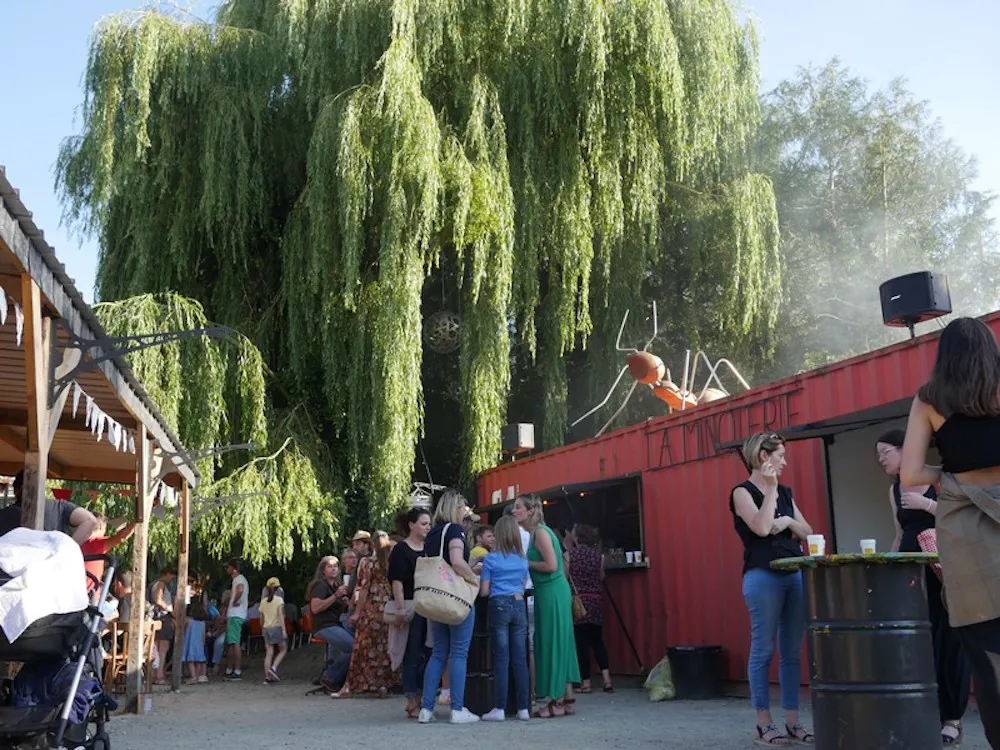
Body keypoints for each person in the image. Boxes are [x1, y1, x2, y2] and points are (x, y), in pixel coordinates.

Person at [900, 317, 1000, 749]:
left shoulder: (930, 399)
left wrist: (950, 475)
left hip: (968, 536)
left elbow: (910, 475)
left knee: (989, 664)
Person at [876, 427, 971, 744]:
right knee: (921, 642)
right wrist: (887, 566)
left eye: (885, 452)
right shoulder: (894, 490)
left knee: (950, 641)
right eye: (878, 455)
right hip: (911, 574)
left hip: (944, 571)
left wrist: (925, 504)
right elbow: (899, 533)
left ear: (905, 449)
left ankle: (953, 719)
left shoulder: (937, 478)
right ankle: (929, 713)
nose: (881, 460)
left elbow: (962, 517)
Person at [730, 432, 814, 746]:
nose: (785, 462)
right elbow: (762, 527)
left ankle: (792, 722)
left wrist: (789, 520)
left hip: (794, 573)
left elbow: (807, 531)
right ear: (764, 456)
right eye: (780, 456)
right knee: (763, 649)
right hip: (762, 575)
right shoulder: (742, 492)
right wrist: (772, 490)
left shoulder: (787, 493)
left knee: (791, 652)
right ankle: (763, 724)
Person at [513, 494, 580, 718]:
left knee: (552, 642)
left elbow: (551, 565)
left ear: (530, 511)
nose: (514, 511)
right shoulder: (539, 533)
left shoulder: (540, 533)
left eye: (518, 507)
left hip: (551, 590)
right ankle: (566, 698)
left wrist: (525, 563)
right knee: (560, 641)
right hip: (550, 590)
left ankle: (556, 700)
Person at [418, 491, 481, 725]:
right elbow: (455, 561)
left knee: (438, 653)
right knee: (459, 653)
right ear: (455, 507)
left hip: (437, 598)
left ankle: (426, 709)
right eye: (463, 507)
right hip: (456, 598)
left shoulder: (432, 533)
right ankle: (457, 708)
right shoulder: (455, 530)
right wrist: (472, 576)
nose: (465, 511)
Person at [333, 531, 399, 697]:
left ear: (372, 544)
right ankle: (382, 684)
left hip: (371, 607)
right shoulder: (390, 561)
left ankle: (350, 686)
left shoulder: (367, 562)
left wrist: (357, 612)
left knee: (363, 646)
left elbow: (364, 588)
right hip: (387, 605)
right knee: (383, 646)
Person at [479, 516, 531, 722]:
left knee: (501, 659)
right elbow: (522, 585)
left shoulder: (491, 559)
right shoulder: (523, 559)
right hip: (518, 604)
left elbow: (484, 591)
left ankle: (499, 708)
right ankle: (523, 708)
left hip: (499, 605)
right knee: (520, 659)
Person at [388, 507, 430, 719]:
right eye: (423, 523)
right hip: (410, 605)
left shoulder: (428, 547)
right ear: (412, 525)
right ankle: (412, 698)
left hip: (427, 606)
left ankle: (421, 696)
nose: (427, 527)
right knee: (411, 652)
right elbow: (396, 580)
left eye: (429, 524)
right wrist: (400, 607)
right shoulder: (401, 550)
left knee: (427, 652)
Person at [568, 524, 613, 693]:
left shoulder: (570, 555)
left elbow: (565, 576)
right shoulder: (598, 556)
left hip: (579, 601)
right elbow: (601, 576)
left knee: (582, 644)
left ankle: (586, 683)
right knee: (597, 641)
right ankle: (607, 679)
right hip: (596, 600)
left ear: (577, 537)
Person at [6, 470, 98, 542]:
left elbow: (90, 520)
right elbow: (90, 520)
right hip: (51, 559)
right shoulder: (59, 507)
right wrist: (65, 551)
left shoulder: (5, 515)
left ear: (16, 490)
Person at [307, 555, 353, 691]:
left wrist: (344, 603)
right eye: (330, 566)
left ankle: (337, 677)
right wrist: (335, 596)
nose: (334, 569)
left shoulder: (336, 586)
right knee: (353, 647)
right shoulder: (320, 585)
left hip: (335, 624)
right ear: (323, 570)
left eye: (336, 566)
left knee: (357, 644)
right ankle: (330, 676)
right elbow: (315, 608)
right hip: (324, 626)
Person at [81, 516, 136, 592]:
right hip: (86, 592)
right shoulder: (94, 543)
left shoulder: (81, 542)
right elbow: (120, 538)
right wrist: (136, 521)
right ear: (101, 527)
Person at [148, 566, 176, 686]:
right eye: (172, 577)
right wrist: (169, 609)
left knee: (155, 647)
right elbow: (158, 599)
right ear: (167, 574)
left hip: (155, 617)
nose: (172, 580)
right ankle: (159, 675)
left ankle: (154, 674)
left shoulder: (153, 584)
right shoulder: (161, 584)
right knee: (163, 647)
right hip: (163, 617)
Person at [259, 576, 287, 683]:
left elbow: (261, 618)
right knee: (283, 649)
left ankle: (267, 676)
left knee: (269, 652)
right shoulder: (279, 600)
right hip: (276, 627)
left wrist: (262, 628)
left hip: (266, 628)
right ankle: (274, 668)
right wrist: (284, 630)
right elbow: (281, 615)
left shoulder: (263, 601)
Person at [224, 558, 249, 680]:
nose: (226, 569)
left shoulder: (238, 579)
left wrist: (234, 600)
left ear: (233, 569)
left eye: (228, 567)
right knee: (232, 642)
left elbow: (240, 590)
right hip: (236, 614)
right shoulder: (239, 579)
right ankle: (230, 669)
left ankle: (236, 670)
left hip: (235, 614)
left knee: (234, 643)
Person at [182, 578, 209, 685]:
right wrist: (203, 642)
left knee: (190, 661)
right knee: (199, 660)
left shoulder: (188, 620)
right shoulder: (202, 623)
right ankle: (197, 676)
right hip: (199, 644)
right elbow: (203, 635)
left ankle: (193, 677)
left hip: (190, 644)